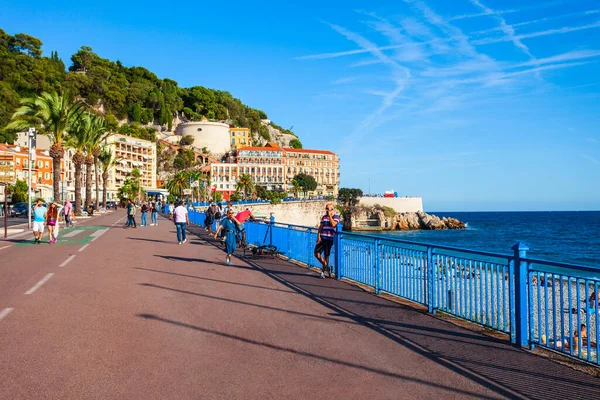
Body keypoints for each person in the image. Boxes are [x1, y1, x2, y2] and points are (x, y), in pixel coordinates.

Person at [314, 202, 340, 278]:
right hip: (322, 238)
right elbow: (320, 227)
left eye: (331, 209)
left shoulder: (336, 217)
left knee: (326, 256)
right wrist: (318, 237)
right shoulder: (324, 217)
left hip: (329, 239)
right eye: (327, 209)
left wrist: (330, 217)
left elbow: (334, 225)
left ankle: (323, 272)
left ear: (333, 209)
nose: (329, 210)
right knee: (316, 254)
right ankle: (328, 268)